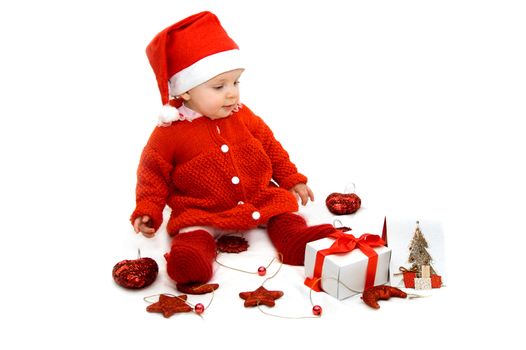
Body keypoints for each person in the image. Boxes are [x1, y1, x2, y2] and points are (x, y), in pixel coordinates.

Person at [131, 11, 338, 289]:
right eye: (219, 86)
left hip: (257, 196)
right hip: (202, 207)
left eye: (236, 82)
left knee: (281, 209)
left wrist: (291, 178)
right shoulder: (169, 132)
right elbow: (152, 175)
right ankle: (192, 258)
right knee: (192, 230)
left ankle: (292, 240)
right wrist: (148, 209)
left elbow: (270, 146)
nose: (232, 93)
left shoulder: (243, 115)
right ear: (185, 91)